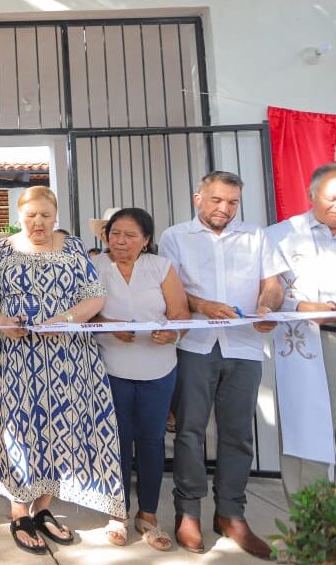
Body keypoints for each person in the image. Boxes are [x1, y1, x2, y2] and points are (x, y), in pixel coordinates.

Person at [0, 185, 123, 555]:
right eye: (30, 216)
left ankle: (42, 508)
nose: (38, 222)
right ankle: (18, 511)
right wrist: (0, 320)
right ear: (19, 217)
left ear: (56, 215)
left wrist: (65, 320)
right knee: (19, 429)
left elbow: (95, 296)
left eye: (45, 215)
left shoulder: (73, 247)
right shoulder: (2, 250)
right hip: (18, 356)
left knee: (60, 427)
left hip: (69, 356)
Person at [159, 171, 286, 559]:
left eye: (232, 202)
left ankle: (231, 514)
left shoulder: (256, 236)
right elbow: (170, 289)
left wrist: (268, 307)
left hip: (244, 347)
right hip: (194, 345)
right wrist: (203, 306)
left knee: (238, 434)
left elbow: (274, 284)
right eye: (216, 200)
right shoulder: (175, 236)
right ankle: (188, 512)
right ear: (198, 198)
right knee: (189, 432)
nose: (224, 209)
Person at [91, 208, 190, 551]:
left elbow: (180, 314)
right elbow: (84, 313)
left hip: (158, 368)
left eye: (130, 235)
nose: (120, 241)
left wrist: (173, 333)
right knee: (115, 440)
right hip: (110, 367)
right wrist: (109, 326)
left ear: (146, 240)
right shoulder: (94, 266)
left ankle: (148, 515)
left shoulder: (160, 267)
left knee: (151, 442)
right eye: (115, 233)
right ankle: (117, 513)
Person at [268, 163, 336, 494]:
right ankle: (310, 522)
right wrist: (303, 308)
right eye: (333, 197)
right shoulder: (280, 236)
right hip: (308, 342)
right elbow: (264, 296)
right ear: (311, 194)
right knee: (306, 436)